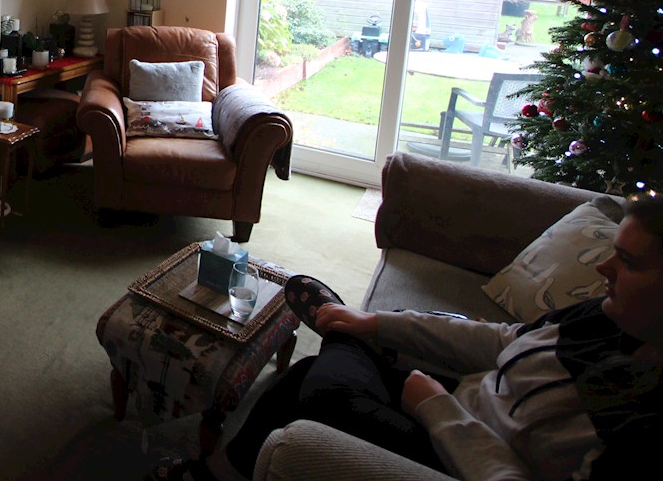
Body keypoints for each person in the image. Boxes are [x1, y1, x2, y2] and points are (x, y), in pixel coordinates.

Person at [157, 197, 663, 481]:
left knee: (324, 391)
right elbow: (503, 341)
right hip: (460, 405)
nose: (603, 268)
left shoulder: (642, 418)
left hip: (458, 455)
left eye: (629, 262)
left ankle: (349, 342)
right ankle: (214, 473)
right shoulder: (606, 317)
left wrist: (436, 409)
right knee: (311, 369)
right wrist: (376, 323)